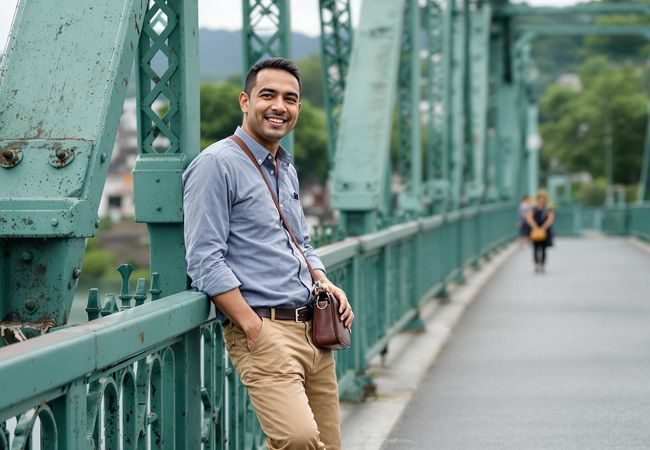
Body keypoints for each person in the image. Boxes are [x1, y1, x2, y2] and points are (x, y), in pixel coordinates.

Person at [182, 57, 354, 450]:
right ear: (245, 101)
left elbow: (301, 243)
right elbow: (205, 259)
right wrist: (252, 327)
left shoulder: (285, 168)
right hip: (264, 329)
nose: (280, 106)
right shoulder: (216, 165)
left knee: (328, 443)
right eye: (268, 95)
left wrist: (324, 281)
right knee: (297, 439)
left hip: (314, 330)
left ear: (298, 108)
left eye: (290, 99)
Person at [525, 192, 555, 273]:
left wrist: (543, 227)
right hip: (535, 231)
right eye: (540, 200)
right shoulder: (533, 209)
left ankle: (542, 264)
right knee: (535, 248)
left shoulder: (548, 209)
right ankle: (536, 264)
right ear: (537, 200)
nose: (541, 201)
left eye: (543, 200)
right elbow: (529, 218)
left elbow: (551, 219)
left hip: (545, 231)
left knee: (544, 248)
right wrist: (535, 227)